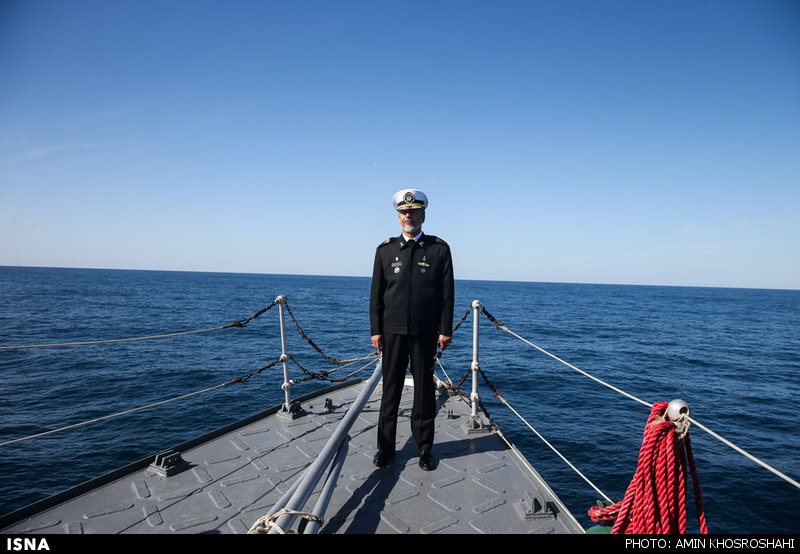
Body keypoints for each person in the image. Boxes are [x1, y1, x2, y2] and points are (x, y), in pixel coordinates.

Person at [369, 189, 454, 471]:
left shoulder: (439, 249)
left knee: (424, 393)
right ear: (398, 217)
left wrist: (445, 329)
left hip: (424, 332)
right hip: (392, 332)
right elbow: (376, 295)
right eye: (404, 212)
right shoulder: (385, 250)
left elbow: (447, 294)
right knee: (390, 391)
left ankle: (425, 449)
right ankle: (385, 449)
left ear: (423, 216)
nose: (409, 216)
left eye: (414, 212)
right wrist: (376, 330)